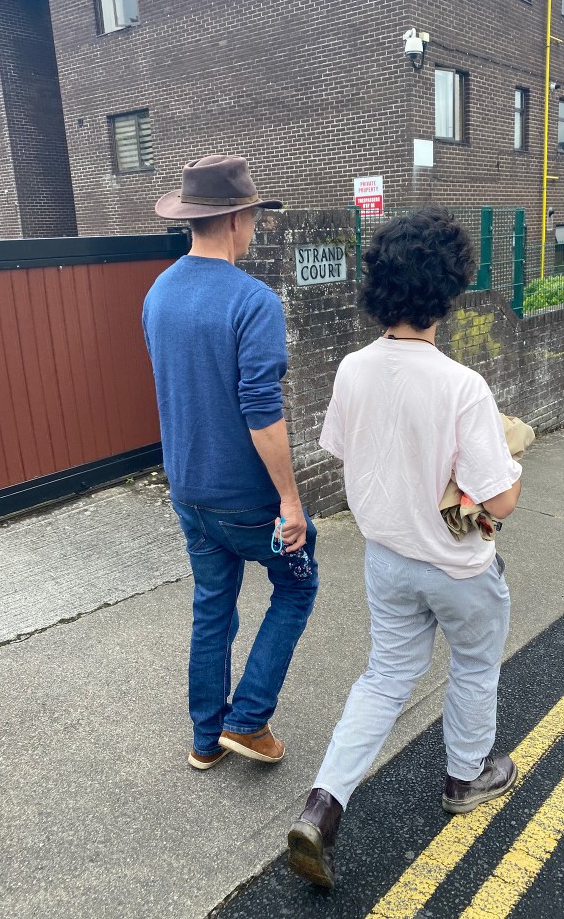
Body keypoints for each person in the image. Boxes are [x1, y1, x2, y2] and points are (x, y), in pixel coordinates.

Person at [287, 208, 522, 888]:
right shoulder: (460, 386)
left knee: (384, 678)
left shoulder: (353, 370)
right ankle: (465, 776)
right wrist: (514, 462)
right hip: (456, 565)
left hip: (385, 559)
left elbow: (342, 450)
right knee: (474, 667)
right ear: (449, 289)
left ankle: (322, 806)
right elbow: (497, 501)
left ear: (377, 286)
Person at [142, 155, 319, 771]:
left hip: (187, 489)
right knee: (298, 587)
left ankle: (204, 738)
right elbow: (261, 412)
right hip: (247, 498)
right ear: (239, 218)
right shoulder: (253, 301)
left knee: (213, 604)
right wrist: (290, 502)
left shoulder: (158, 293)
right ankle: (247, 720)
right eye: (253, 217)